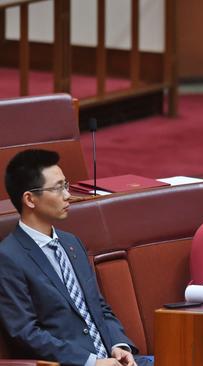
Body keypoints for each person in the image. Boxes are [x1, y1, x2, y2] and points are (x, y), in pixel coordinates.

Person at [0, 149, 153, 366]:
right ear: (30, 199)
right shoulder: (9, 257)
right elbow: (26, 333)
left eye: (66, 184)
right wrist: (91, 362)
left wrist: (119, 345)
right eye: (58, 188)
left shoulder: (71, 242)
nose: (67, 195)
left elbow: (98, 306)